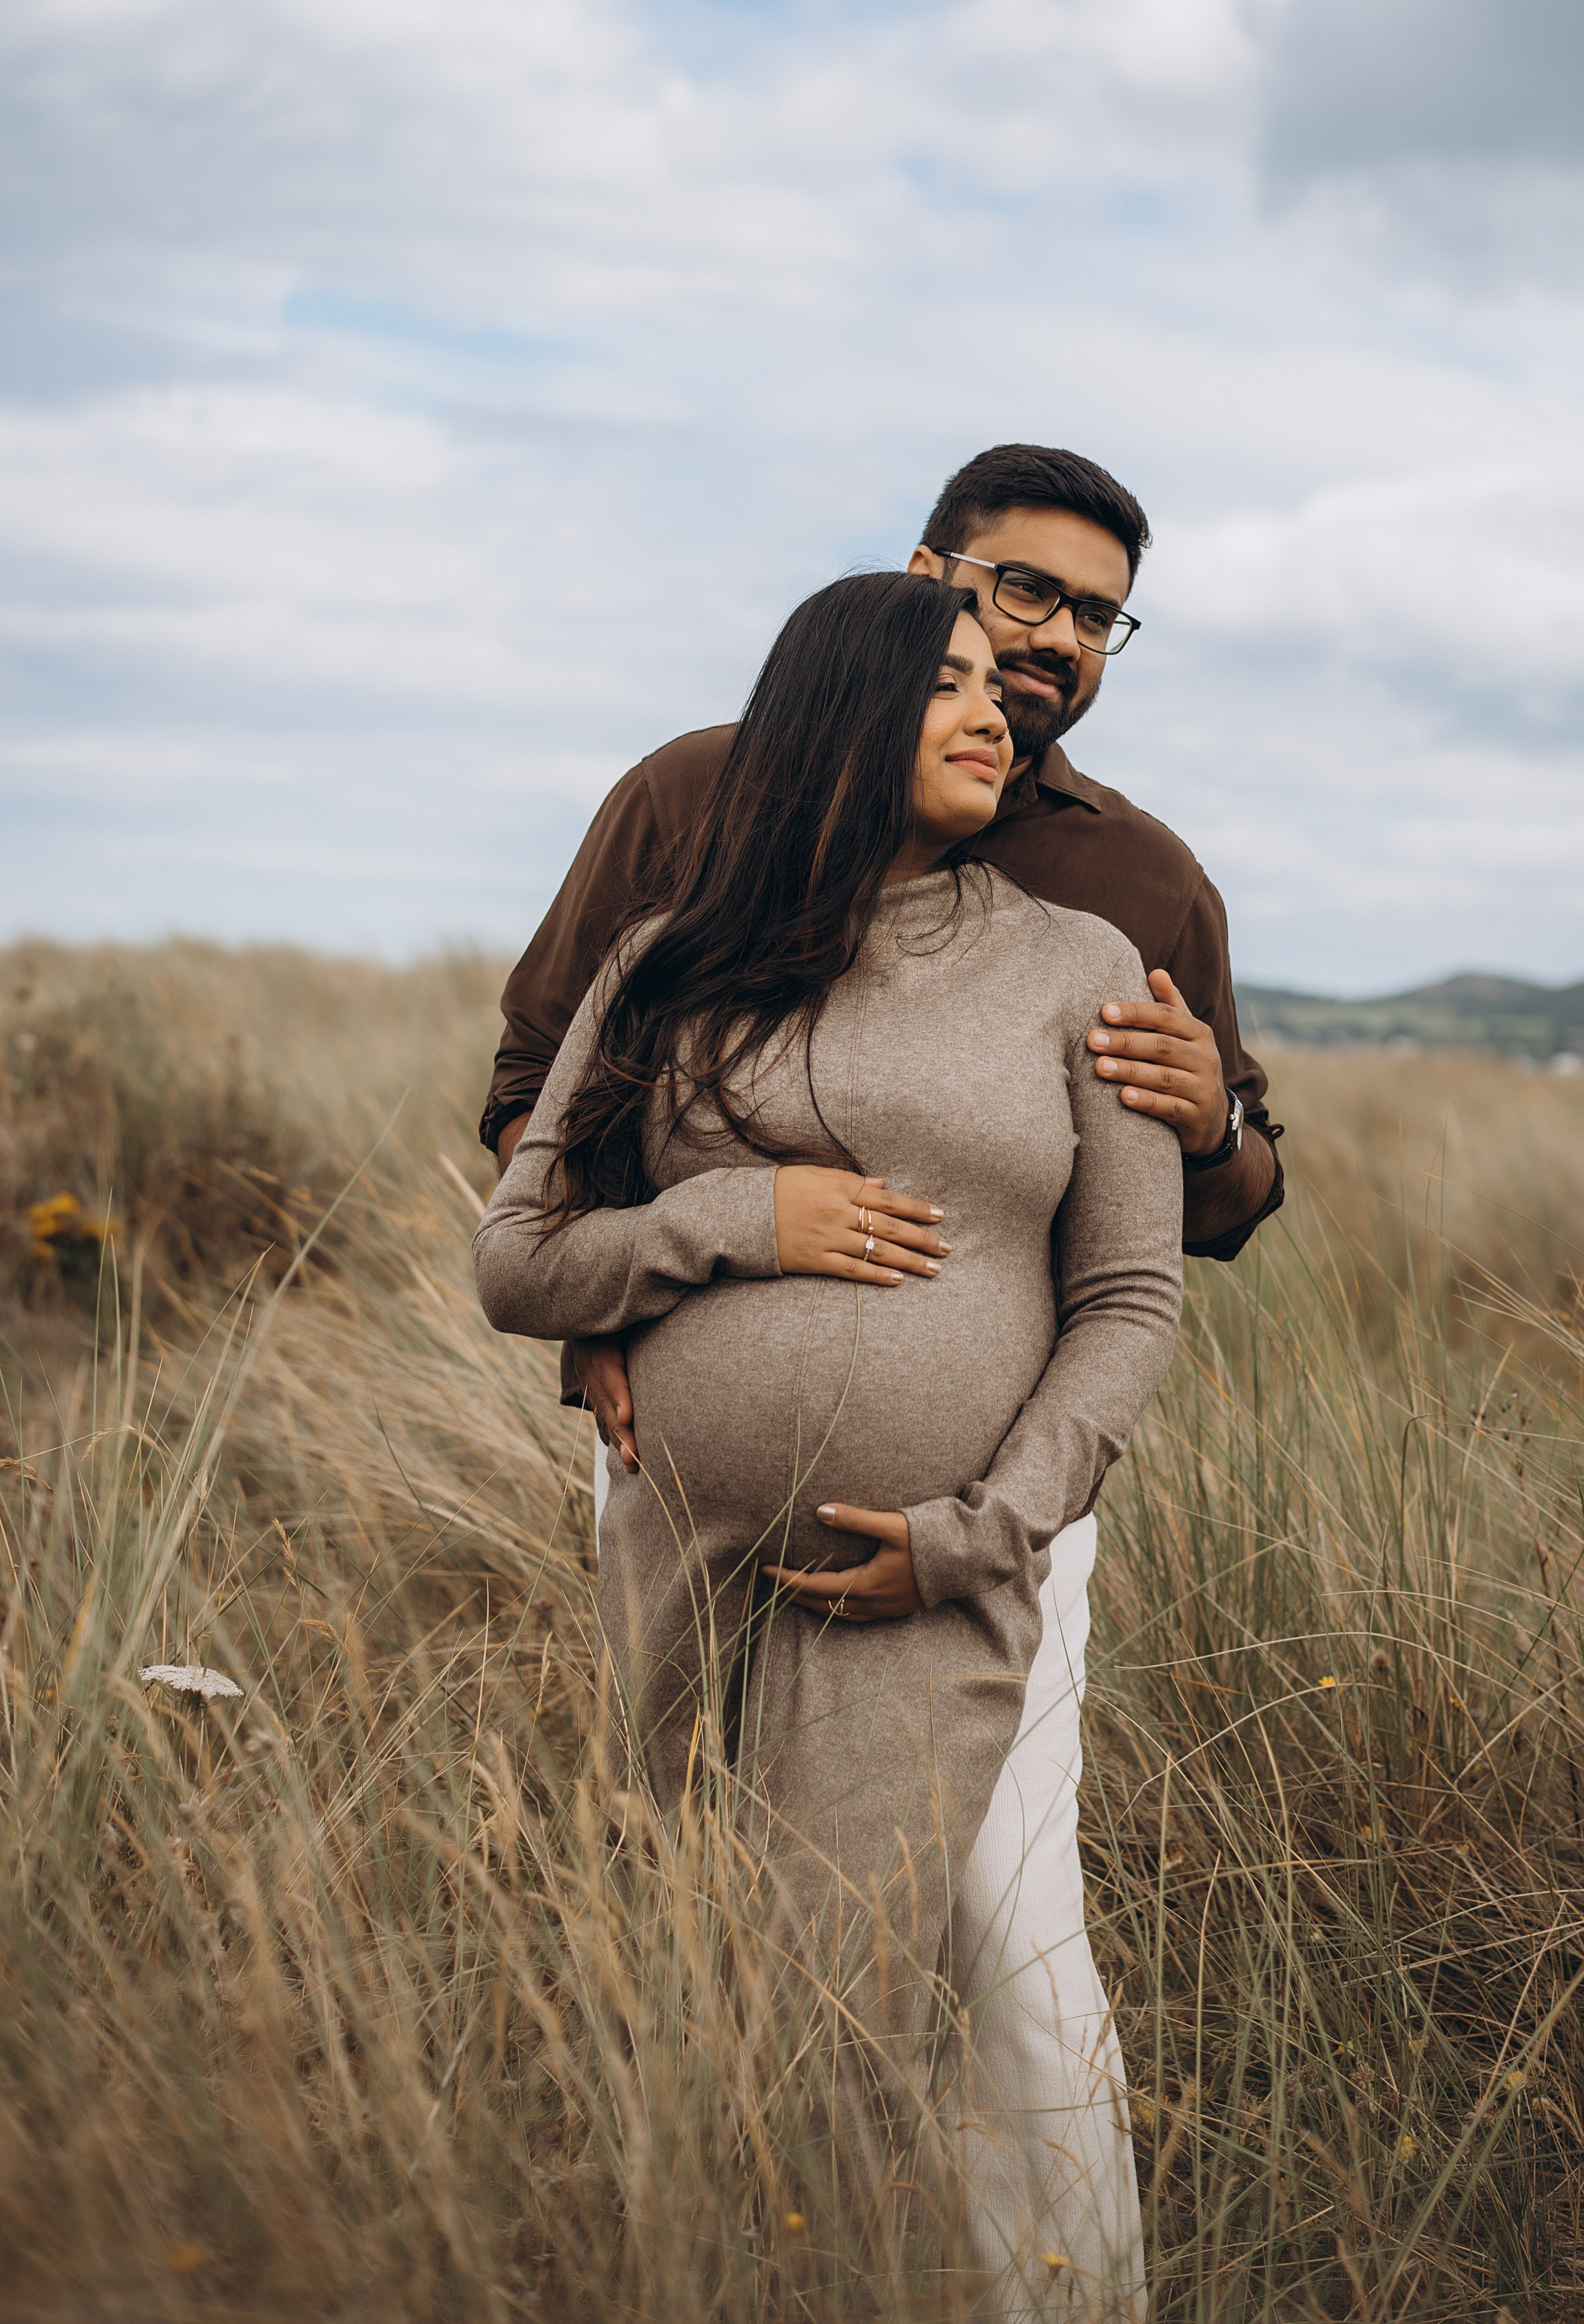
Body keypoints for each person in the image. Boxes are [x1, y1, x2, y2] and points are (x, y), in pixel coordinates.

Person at [480, 443, 1284, 2312]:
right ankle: (722, 2260)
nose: (1046, 652)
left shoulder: (1128, 883)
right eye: (1018, 598)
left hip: (987, 1512)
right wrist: (633, 1303)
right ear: (924, 578)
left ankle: (1059, 2301)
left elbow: (1194, 1220)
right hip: (677, 1482)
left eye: (1096, 618)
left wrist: (1215, 1127)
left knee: (1001, 1929)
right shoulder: (691, 814)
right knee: (695, 1912)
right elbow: (540, 1102)